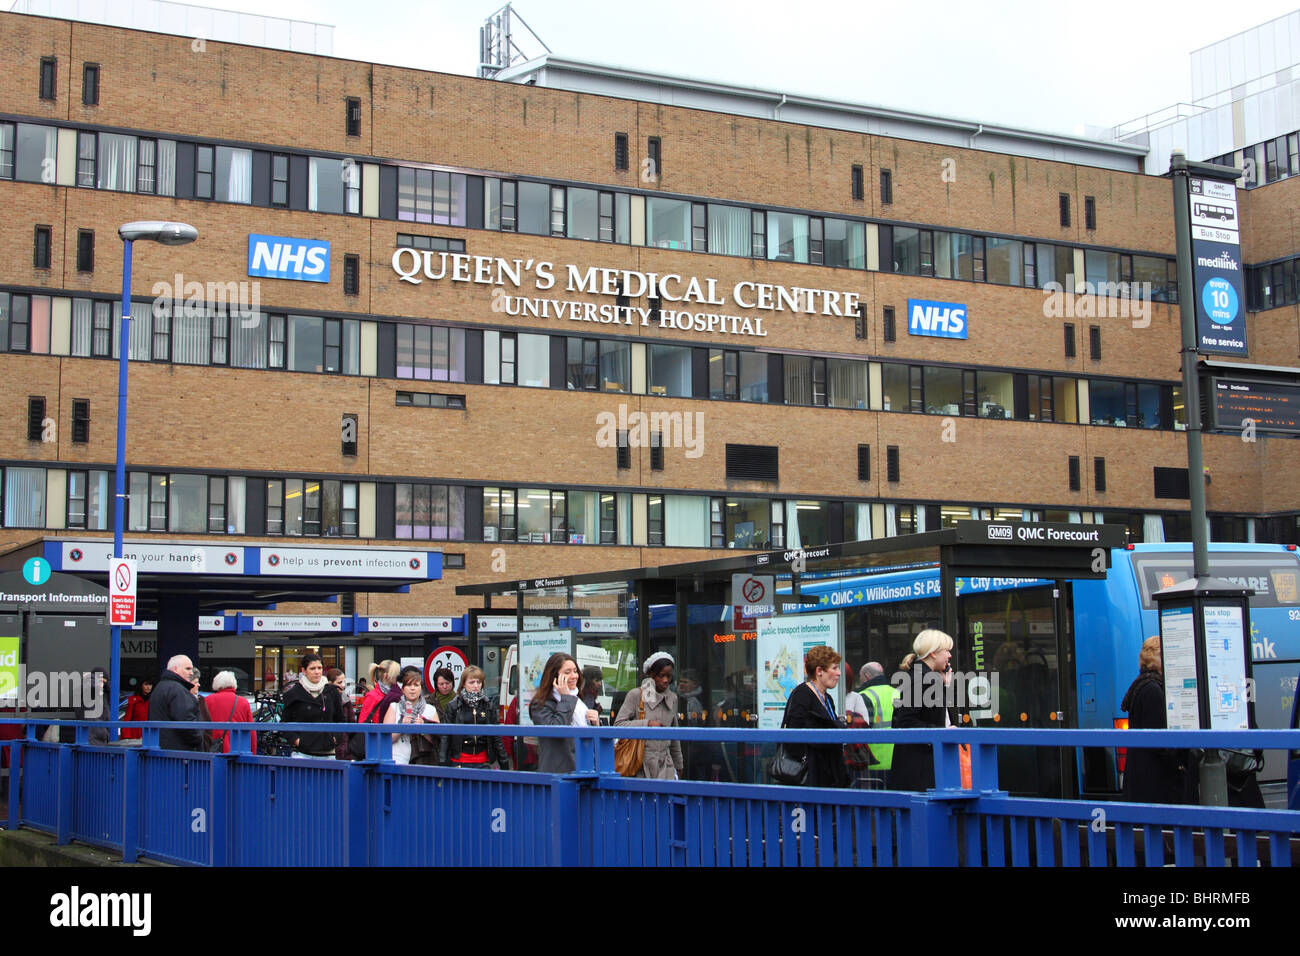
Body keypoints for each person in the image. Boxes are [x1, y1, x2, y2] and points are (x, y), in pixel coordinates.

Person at [1121, 636, 1194, 804]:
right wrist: (1179, 764)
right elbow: (1159, 740)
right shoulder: (1153, 690)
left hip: (1142, 776)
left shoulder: (1141, 684)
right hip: (1155, 780)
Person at [890, 630, 957, 791]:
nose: (949, 655)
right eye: (946, 651)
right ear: (933, 653)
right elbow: (906, 723)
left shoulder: (924, 677)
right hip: (920, 769)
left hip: (919, 766)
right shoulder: (921, 679)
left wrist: (946, 686)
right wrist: (944, 731)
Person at [778, 645, 850, 788]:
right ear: (819, 671)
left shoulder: (827, 698)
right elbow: (793, 733)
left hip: (828, 774)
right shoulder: (802, 694)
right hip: (812, 776)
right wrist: (806, 761)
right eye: (834, 668)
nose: (839, 673)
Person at [615, 652, 684, 779]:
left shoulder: (673, 698)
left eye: (669, 676)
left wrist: (679, 765)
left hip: (665, 766)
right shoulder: (636, 695)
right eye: (661, 675)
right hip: (639, 764)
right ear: (651, 674)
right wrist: (647, 724)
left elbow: (674, 736)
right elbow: (619, 724)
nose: (665, 680)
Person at [529, 652, 598, 773]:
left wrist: (596, 723)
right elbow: (556, 730)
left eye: (575, 671)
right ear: (554, 677)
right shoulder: (541, 704)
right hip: (560, 773)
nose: (574, 676)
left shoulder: (577, 700)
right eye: (567, 672)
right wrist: (565, 697)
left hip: (586, 769)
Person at [441, 666, 510, 769]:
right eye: (471, 682)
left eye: (479, 682)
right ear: (464, 684)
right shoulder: (453, 706)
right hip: (459, 760)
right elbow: (445, 736)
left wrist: (504, 763)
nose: (476, 686)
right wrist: (442, 763)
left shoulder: (488, 705)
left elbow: (496, 737)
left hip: (483, 761)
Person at [281, 653, 345, 760]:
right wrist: (297, 741)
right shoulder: (293, 694)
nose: (317, 672)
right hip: (302, 754)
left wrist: (335, 738)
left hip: (328, 752)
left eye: (319, 668)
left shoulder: (332, 691)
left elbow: (341, 719)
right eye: (312, 668)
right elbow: (285, 723)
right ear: (304, 671)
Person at [845, 662, 897, 789]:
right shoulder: (897, 693)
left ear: (866, 676)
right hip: (896, 761)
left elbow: (859, 730)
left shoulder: (864, 696)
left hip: (872, 764)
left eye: (860, 676)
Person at [148, 655, 203, 752]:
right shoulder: (177, 690)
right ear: (175, 669)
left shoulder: (160, 687)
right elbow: (186, 722)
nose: (191, 673)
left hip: (162, 750)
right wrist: (198, 739)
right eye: (187, 669)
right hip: (179, 753)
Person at [383, 671, 440, 765]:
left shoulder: (430, 709)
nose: (412, 688)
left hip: (423, 761)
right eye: (409, 685)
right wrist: (401, 726)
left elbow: (437, 740)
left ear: (421, 688)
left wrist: (423, 729)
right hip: (397, 759)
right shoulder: (394, 707)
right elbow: (385, 738)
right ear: (403, 689)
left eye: (416, 685)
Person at [207, 670, 256, 754]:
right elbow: (251, 731)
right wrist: (253, 753)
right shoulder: (243, 702)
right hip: (238, 751)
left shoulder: (208, 700)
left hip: (214, 749)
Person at [328, 668, 355, 759]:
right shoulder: (325, 698)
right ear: (330, 683)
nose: (343, 685)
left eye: (344, 682)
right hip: (331, 743)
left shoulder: (344, 697)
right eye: (339, 683)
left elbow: (352, 721)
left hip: (345, 744)